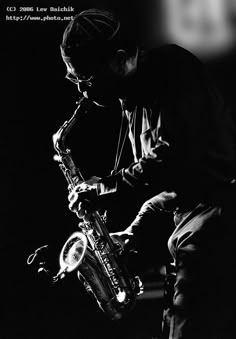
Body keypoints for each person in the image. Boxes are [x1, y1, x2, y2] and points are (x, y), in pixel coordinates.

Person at [60, 8, 236, 339]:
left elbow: (174, 158)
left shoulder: (174, 68)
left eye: (88, 78)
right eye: (76, 80)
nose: (84, 92)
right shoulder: (131, 101)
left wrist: (105, 188)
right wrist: (134, 231)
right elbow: (179, 184)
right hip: (193, 227)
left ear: (121, 59)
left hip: (219, 223)